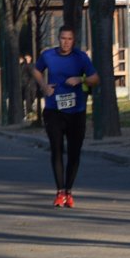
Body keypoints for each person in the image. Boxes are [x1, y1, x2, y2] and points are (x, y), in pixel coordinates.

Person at [32, 25, 99, 208]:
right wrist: (44, 87)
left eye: (69, 39)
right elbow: (36, 70)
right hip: (54, 110)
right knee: (56, 149)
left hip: (76, 111)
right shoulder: (48, 55)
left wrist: (80, 79)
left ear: (73, 40)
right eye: (63, 38)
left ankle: (68, 191)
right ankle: (59, 192)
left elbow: (95, 78)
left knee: (74, 153)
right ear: (58, 39)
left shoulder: (81, 57)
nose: (66, 42)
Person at [20, 53, 40, 120]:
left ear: (30, 58)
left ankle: (30, 112)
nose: (27, 59)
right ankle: (28, 113)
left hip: (32, 84)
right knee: (27, 99)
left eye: (28, 58)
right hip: (25, 84)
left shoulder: (32, 65)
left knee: (32, 97)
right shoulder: (23, 66)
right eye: (26, 58)